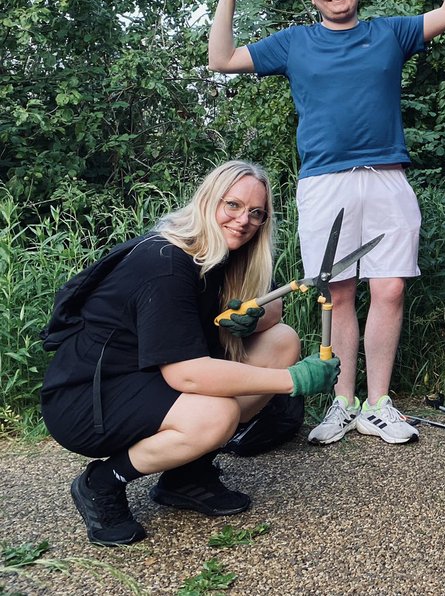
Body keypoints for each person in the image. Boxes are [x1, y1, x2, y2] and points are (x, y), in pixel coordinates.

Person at [208, 0, 445, 446]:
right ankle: (343, 401)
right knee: (338, 292)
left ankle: (379, 405)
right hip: (324, 180)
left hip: (387, 175)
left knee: (390, 289)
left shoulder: (389, 32)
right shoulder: (294, 42)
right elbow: (221, 58)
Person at [41, 160, 340, 546]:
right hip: (87, 399)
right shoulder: (165, 262)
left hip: (145, 377)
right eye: (233, 205)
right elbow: (187, 374)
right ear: (207, 201)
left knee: (280, 340)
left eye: (256, 213)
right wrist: (293, 380)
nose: (244, 220)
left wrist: (248, 318)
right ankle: (102, 482)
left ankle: (186, 476)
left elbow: (275, 310)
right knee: (216, 413)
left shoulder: (224, 253)